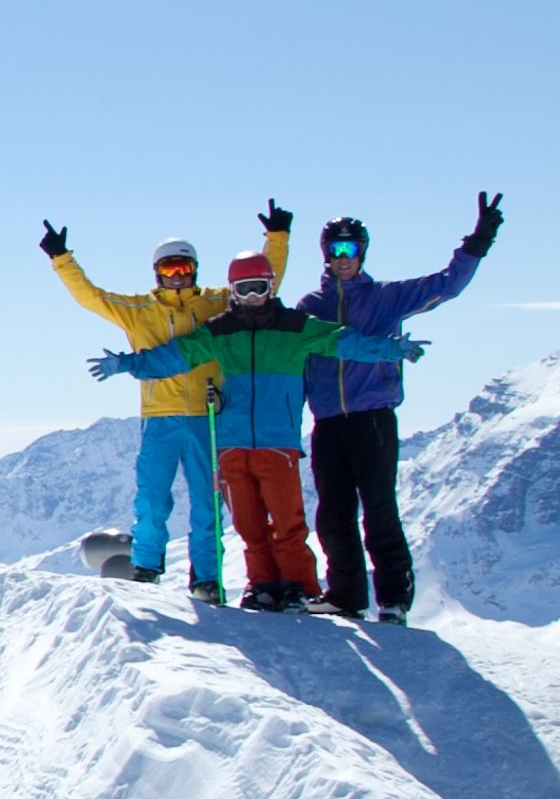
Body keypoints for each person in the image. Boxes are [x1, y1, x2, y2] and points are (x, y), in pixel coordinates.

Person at [91, 253, 427, 612]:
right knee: (248, 523)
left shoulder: (295, 327)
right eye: (244, 289)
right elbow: (175, 356)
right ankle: (262, 584)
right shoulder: (221, 330)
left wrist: (391, 349)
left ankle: (298, 585)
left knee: (287, 521)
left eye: (260, 288)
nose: (253, 297)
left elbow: (344, 342)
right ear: (233, 291)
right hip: (233, 441)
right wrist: (126, 363)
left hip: (276, 441)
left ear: (270, 286)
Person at [44, 201, 291, 601]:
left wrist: (276, 239)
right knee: (152, 498)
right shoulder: (138, 310)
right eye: (168, 270)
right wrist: (62, 258)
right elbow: (90, 297)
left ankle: (207, 578)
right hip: (160, 417)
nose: (177, 277)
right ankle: (146, 567)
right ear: (156, 273)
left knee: (206, 502)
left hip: (205, 416)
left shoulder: (214, 303)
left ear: (194, 270)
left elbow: (262, 282)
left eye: (183, 269)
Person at [295, 194, 502, 623]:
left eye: (351, 249)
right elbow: (295, 367)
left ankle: (392, 600)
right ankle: (346, 595)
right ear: (325, 255)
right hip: (328, 423)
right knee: (333, 515)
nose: (343, 257)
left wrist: (477, 242)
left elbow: (447, 284)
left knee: (378, 509)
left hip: (373, 418)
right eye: (336, 249)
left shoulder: (387, 297)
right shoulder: (309, 308)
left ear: (363, 252)